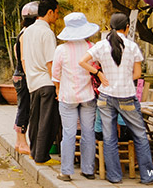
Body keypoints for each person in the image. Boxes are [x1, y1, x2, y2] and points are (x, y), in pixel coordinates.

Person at [79, 12, 153, 184]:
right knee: (140, 135)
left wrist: (99, 73)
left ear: (111, 27)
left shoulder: (101, 45)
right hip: (126, 96)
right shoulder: (132, 46)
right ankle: (148, 176)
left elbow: (82, 61)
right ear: (127, 27)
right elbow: (138, 74)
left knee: (109, 137)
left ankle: (114, 176)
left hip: (105, 96)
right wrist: (123, 79)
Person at [52, 12, 99, 181]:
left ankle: (66, 171)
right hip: (88, 96)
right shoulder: (92, 47)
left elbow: (55, 75)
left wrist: (58, 90)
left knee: (69, 133)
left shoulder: (61, 50)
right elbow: (96, 69)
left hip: (67, 96)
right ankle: (88, 169)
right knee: (88, 132)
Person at [22, 0, 61, 164]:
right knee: (48, 121)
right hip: (46, 82)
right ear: (50, 12)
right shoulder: (47, 33)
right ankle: (42, 156)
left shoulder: (27, 31)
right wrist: (57, 86)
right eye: (57, 13)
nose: (57, 17)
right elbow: (51, 62)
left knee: (35, 120)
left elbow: (24, 59)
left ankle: (34, 152)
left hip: (33, 83)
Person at [12, 1, 38, 155]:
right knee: (25, 109)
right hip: (24, 75)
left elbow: (17, 53)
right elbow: (23, 57)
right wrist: (29, 74)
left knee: (22, 108)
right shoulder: (28, 33)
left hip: (19, 74)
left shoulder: (22, 32)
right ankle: (22, 143)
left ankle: (19, 142)